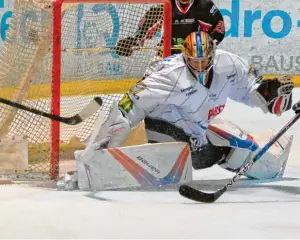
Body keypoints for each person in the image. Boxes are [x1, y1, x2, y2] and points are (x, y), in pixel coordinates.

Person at [91, 31, 294, 179]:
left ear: (213, 54)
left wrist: (272, 97)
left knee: (233, 150)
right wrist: (116, 128)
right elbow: (131, 102)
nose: (199, 66)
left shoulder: (230, 64)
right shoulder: (170, 74)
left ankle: (265, 156)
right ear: (185, 56)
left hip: (197, 127)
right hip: (163, 125)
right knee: (208, 156)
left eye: (204, 61)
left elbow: (252, 90)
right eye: (194, 61)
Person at [115, 0, 225, 56]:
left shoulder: (203, 3)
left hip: (194, 52)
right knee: (147, 83)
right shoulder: (167, 0)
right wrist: (135, 40)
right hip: (166, 50)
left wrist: (206, 46)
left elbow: (219, 27)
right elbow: (148, 22)